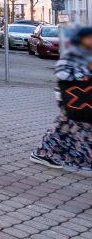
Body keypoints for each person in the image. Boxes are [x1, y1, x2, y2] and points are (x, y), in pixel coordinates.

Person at [31, 26, 92, 171]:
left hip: (83, 97)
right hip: (71, 96)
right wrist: (84, 75)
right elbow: (62, 73)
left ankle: (50, 154)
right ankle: (46, 153)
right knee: (69, 125)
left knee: (72, 127)